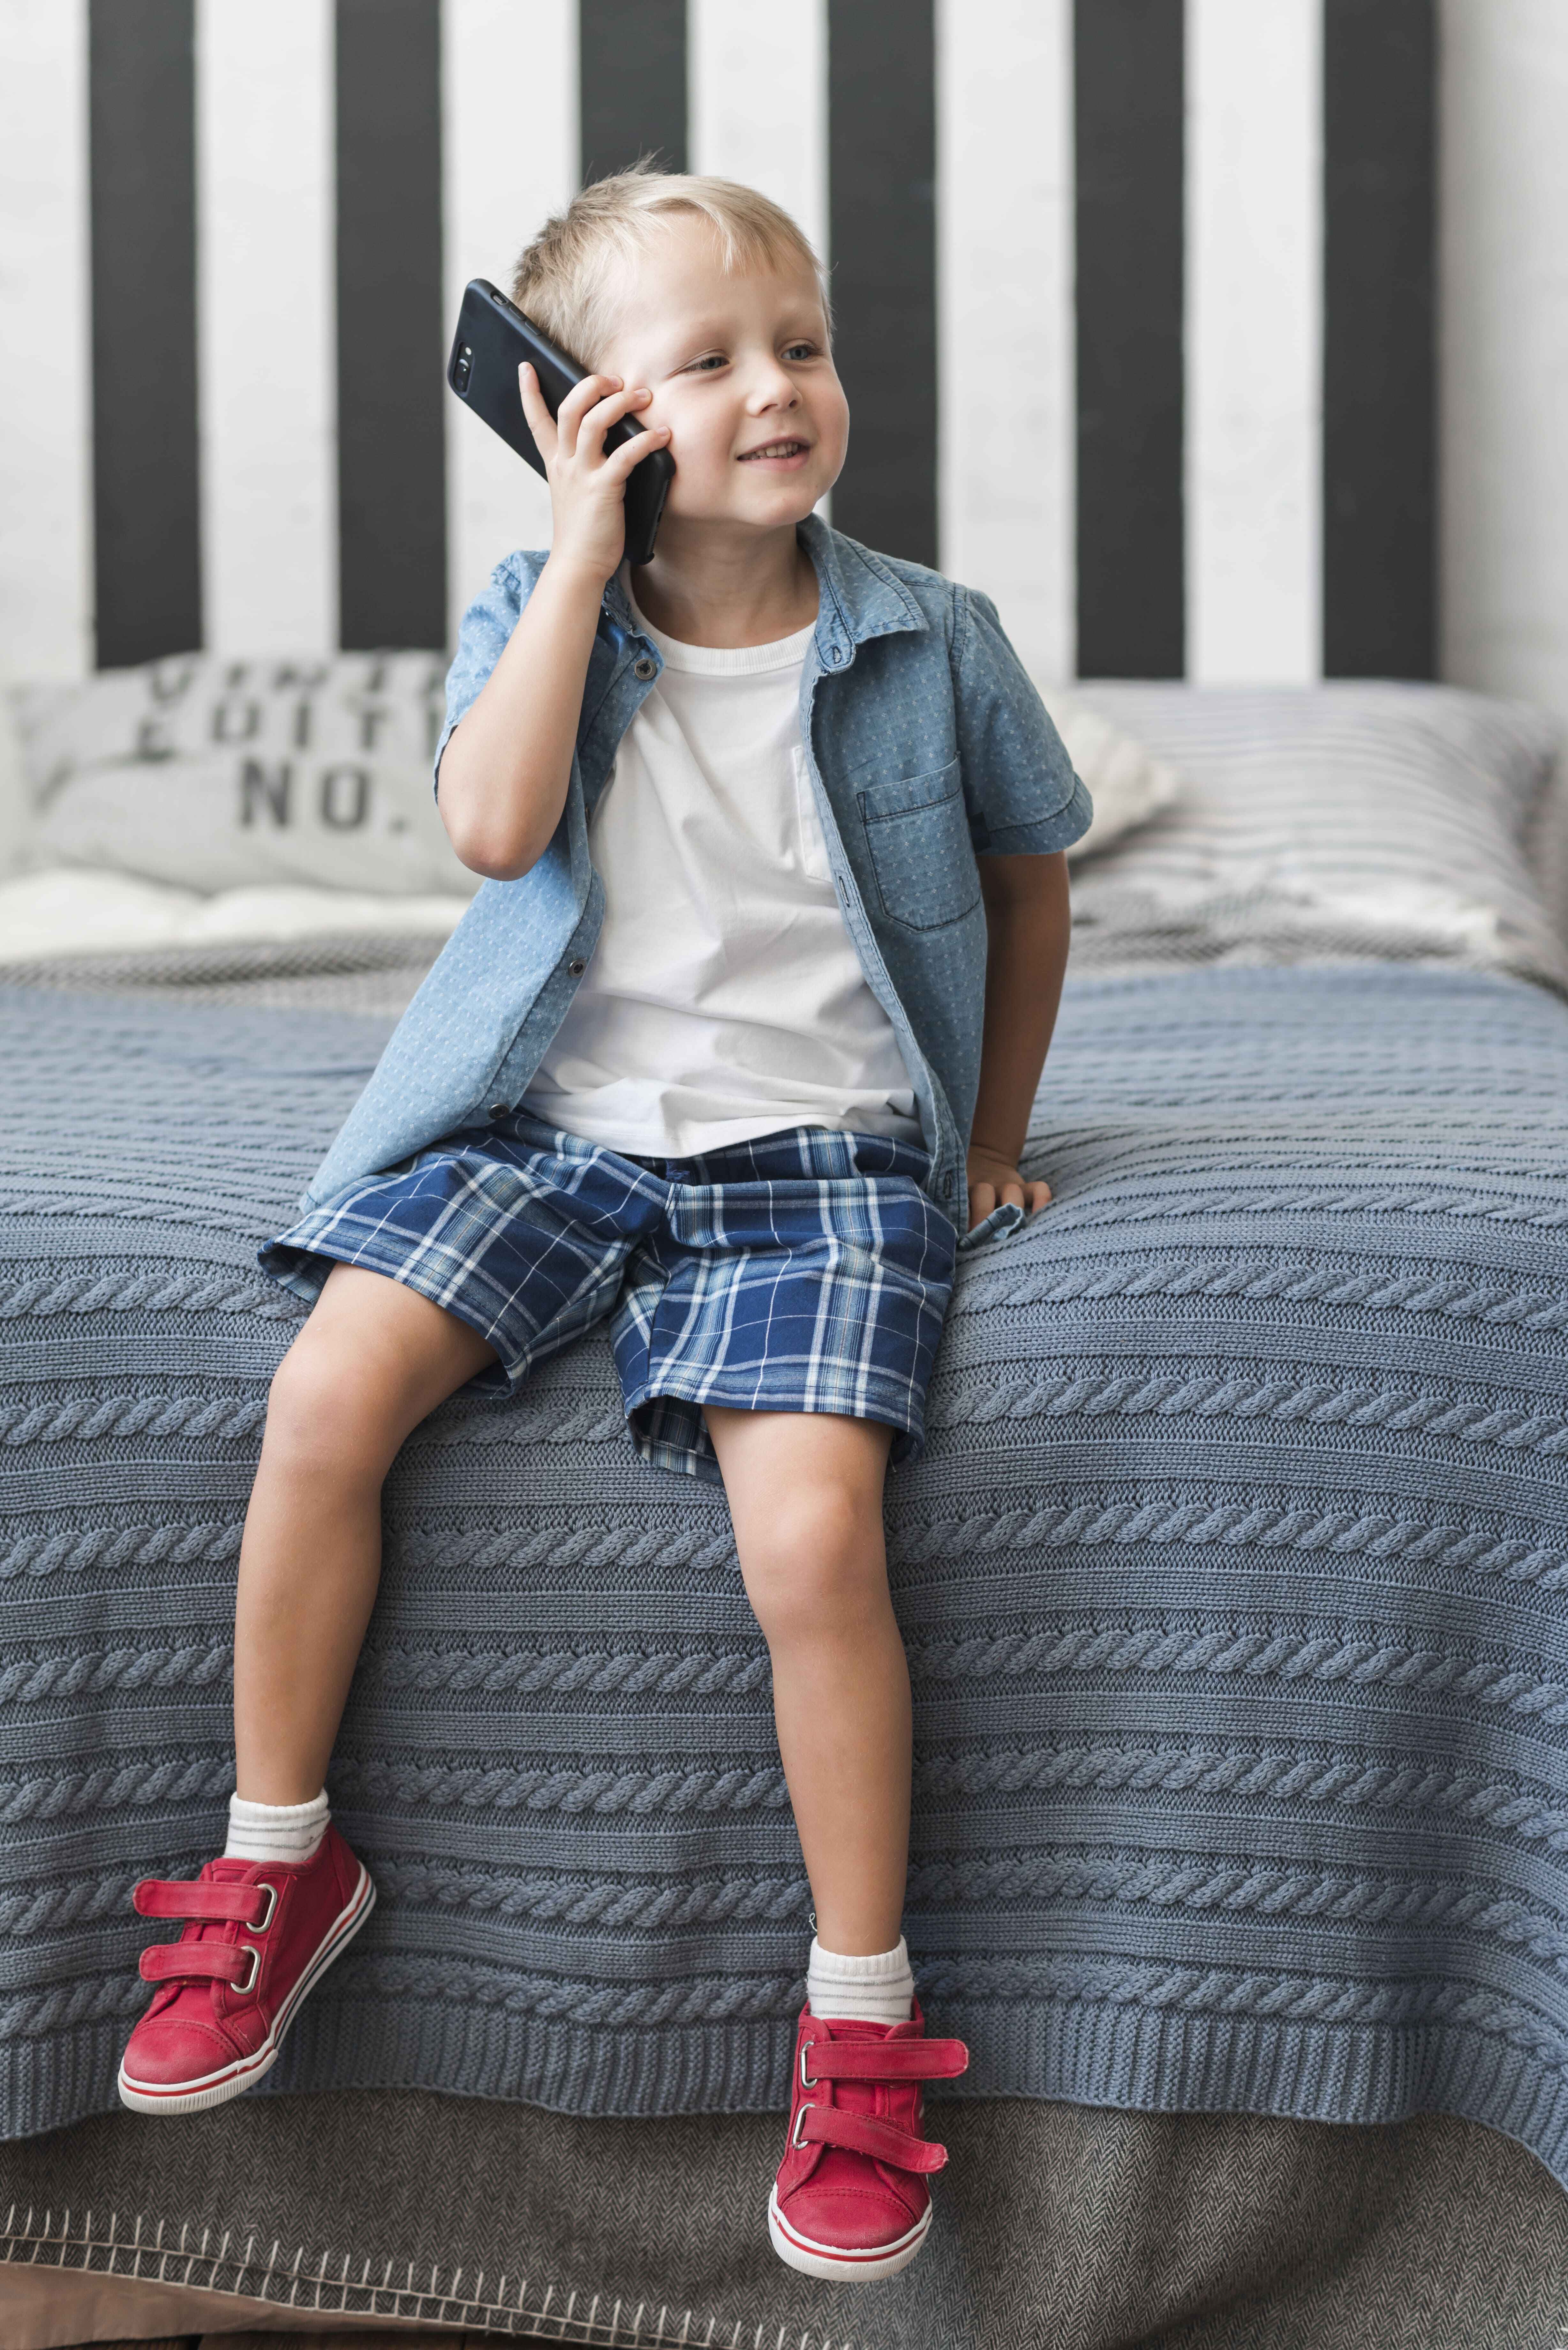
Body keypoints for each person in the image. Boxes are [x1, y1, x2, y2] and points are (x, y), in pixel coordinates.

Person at [116, 166, 1091, 2283]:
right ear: (585, 409)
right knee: (323, 1396)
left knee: (815, 1538)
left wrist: (992, 1135)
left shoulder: (935, 637)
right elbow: (488, 825)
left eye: (804, 345)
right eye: (712, 360)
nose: (781, 389)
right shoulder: (532, 607)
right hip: (554, 1130)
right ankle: (277, 1863)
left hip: (819, 1154)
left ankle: (859, 2017)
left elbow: (1032, 874)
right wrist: (574, 560)